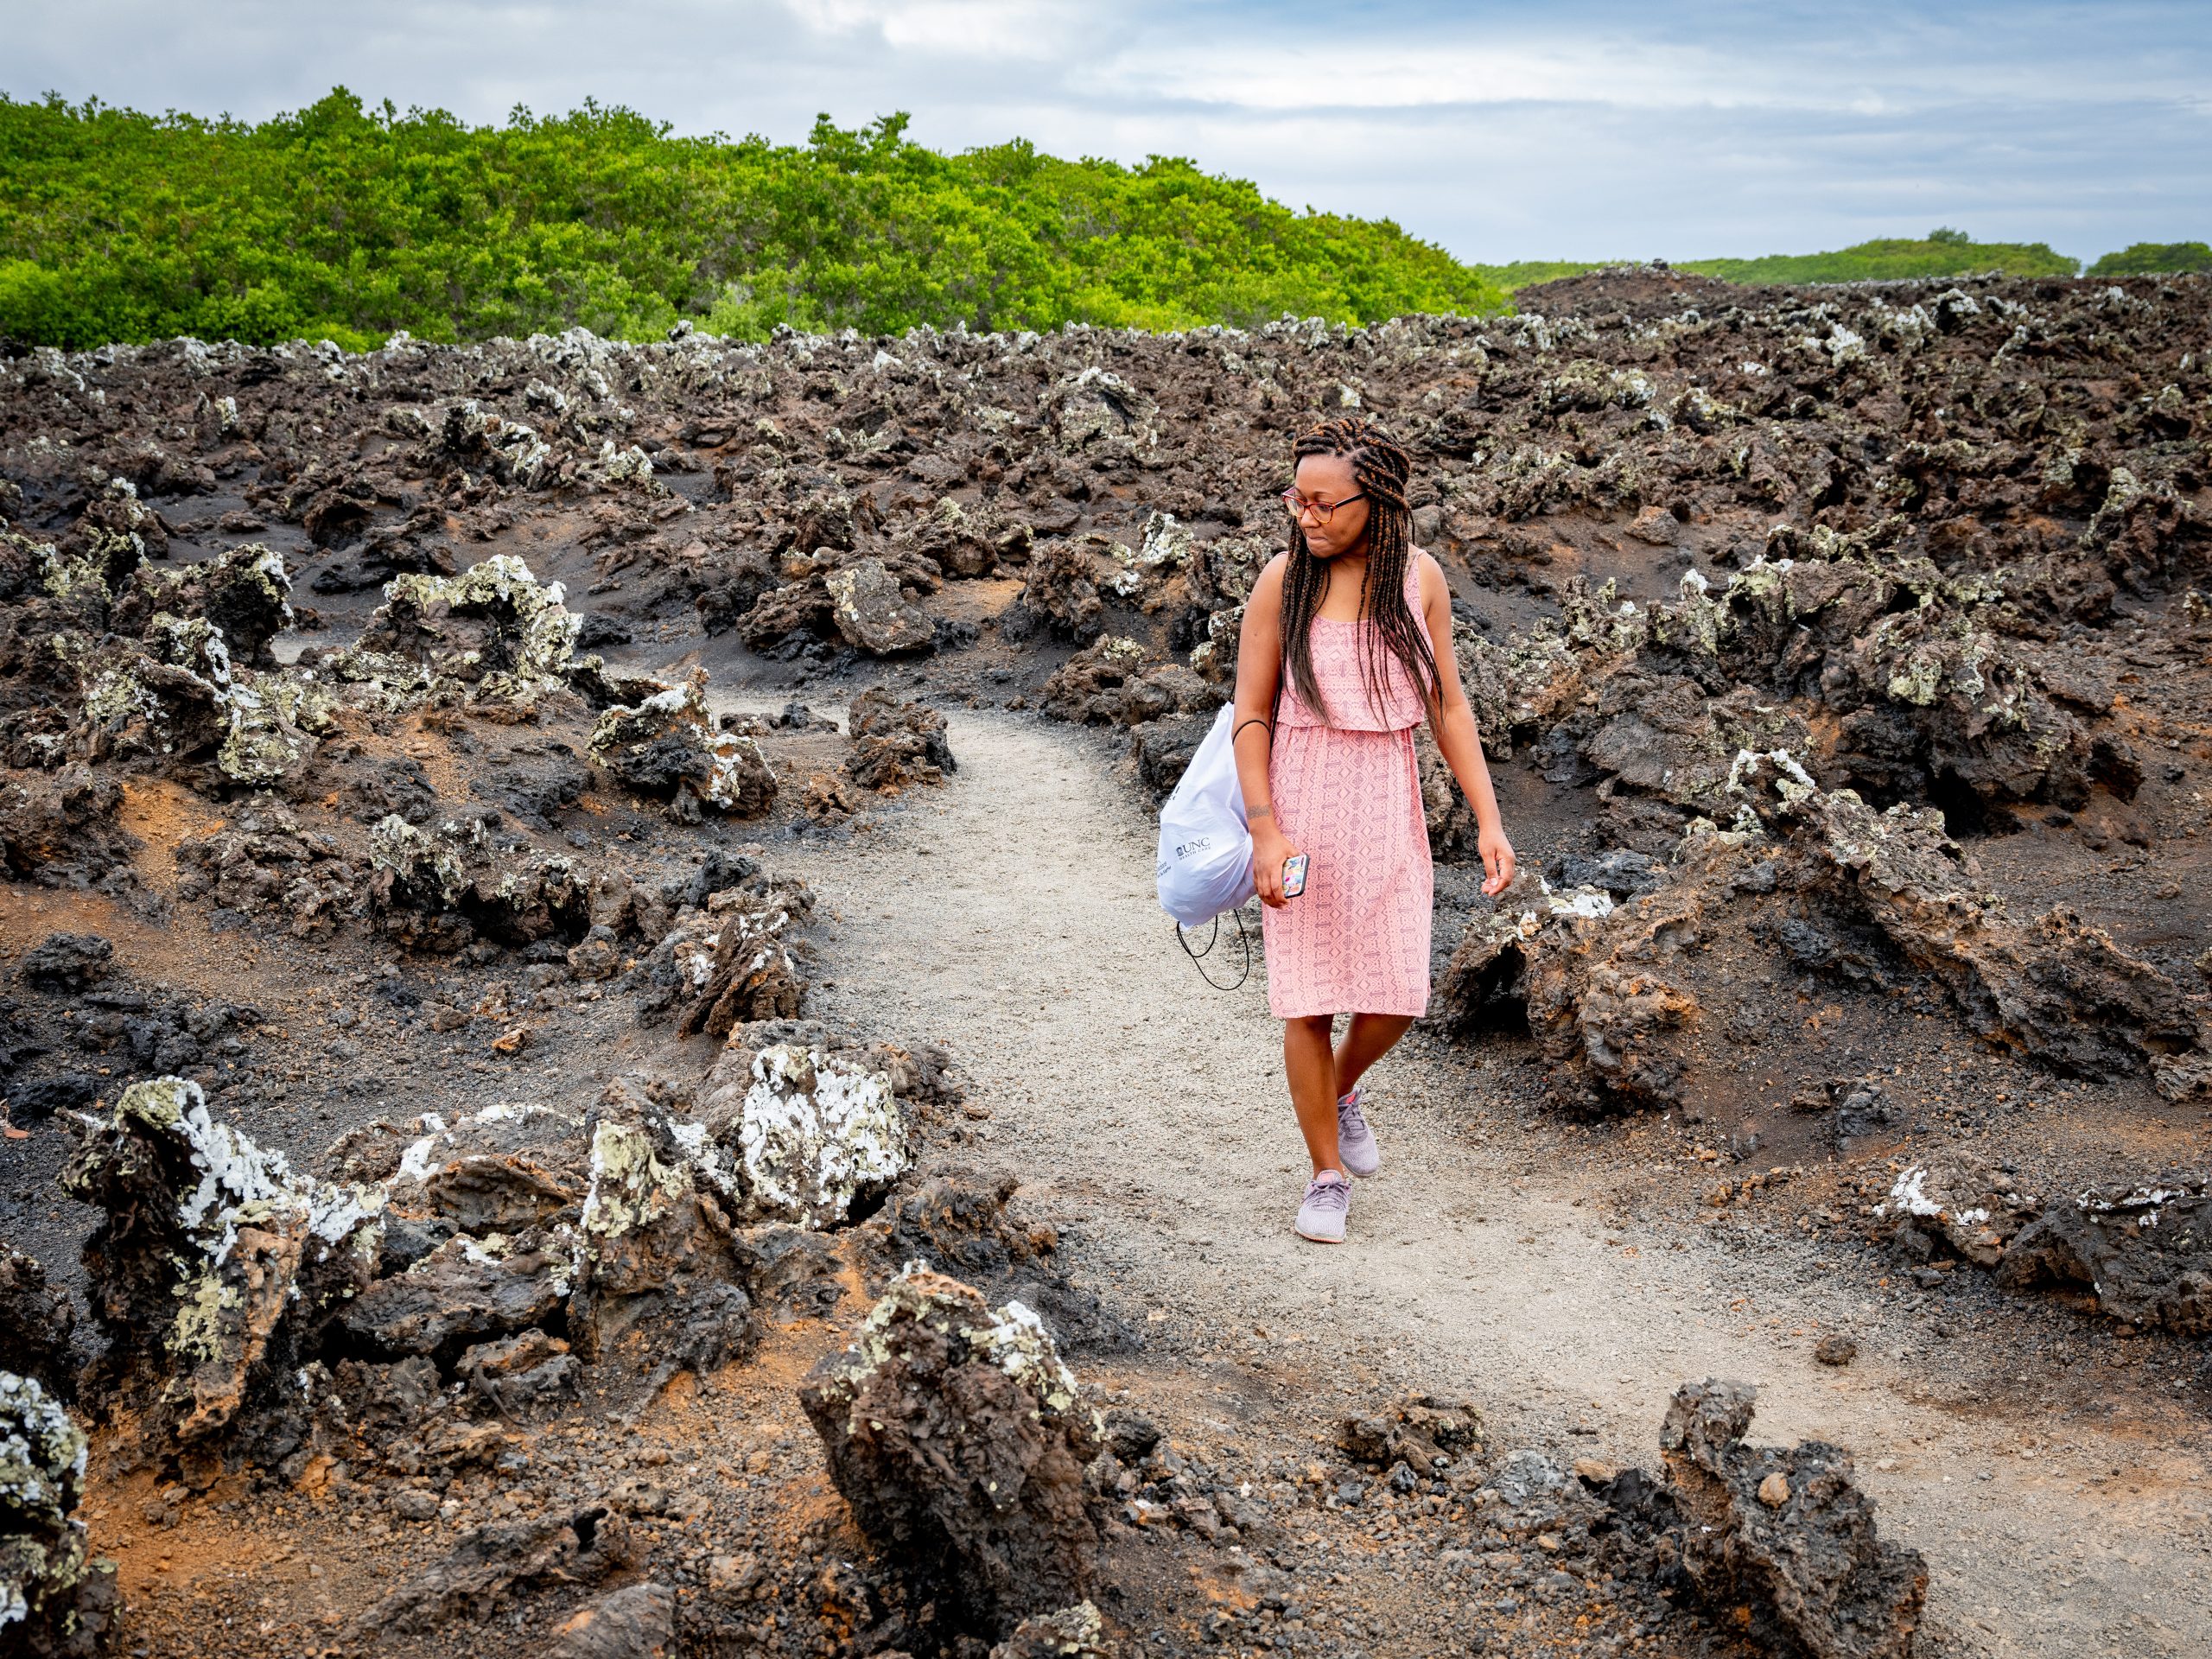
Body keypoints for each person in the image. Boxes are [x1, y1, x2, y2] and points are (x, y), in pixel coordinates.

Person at [1230, 416, 1516, 1243]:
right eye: (1298, 500)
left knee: (1396, 994)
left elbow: (1447, 705)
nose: (1307, 516)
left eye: (1324, 503)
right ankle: (1325, 1175)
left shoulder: (1419, 579)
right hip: (1303, 793)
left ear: (1377, 499)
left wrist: (1489, 820)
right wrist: (1266, 831)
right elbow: (1252, 715)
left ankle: (1343, 1087)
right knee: (1308, 1003)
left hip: (1389, 797)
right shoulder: (1282, 582)